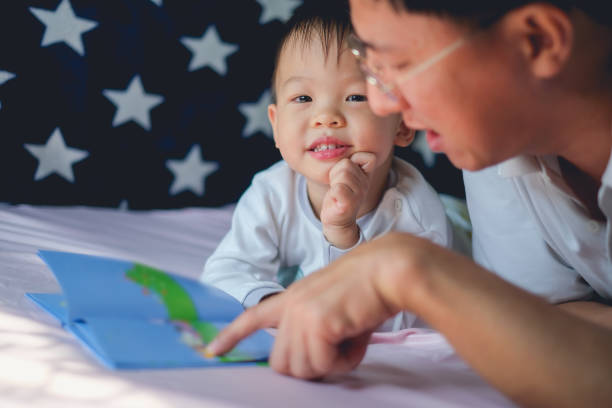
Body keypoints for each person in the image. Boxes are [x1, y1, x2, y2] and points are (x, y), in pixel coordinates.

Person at [205, 0, 612, 406]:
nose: (386, 104)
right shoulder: (497, 155)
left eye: (399, 65)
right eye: (374, 72)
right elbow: (542, 324)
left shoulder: (425, 198)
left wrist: (409, 270)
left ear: (537, 41)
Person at [201, 3, 453, 331]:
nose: (326, 118)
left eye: (355, 97)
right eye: (303, 99)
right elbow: (223, 273)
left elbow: (403, 322)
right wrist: (276, 305)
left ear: (404, 122)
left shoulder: (418, 218)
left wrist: (344, 236)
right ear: (276, 127)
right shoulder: (271, 193)